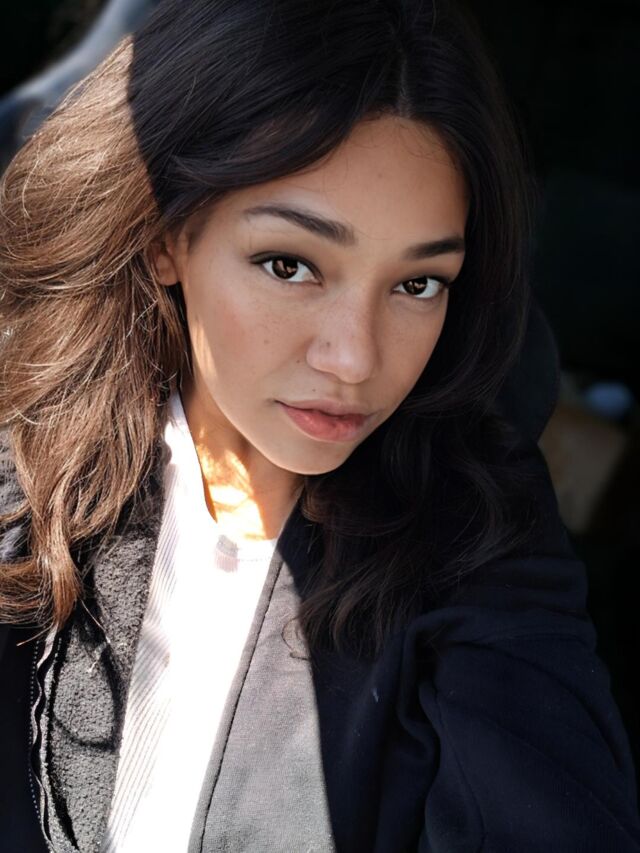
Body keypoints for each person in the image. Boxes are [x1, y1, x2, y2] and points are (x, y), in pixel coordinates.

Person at [0, 0, 639, 850]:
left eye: (417, 284)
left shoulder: (475, 525)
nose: (354, 358)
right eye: (290, 264)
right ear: (166, 237)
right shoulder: (25, 458)